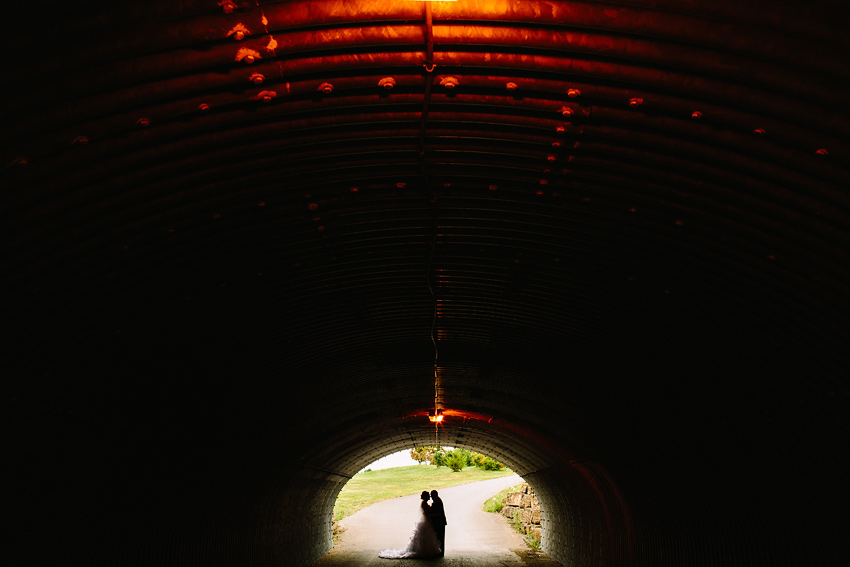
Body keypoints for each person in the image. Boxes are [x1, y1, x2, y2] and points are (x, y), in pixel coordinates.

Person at [378, 490, 442, 559]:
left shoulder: (425, 503)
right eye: (428, 496)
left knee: (426, 537)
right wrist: (433, 515)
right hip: (426, 522)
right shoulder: (424, 503)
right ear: (426, 497)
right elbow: (425, 514)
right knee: (425, 536)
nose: (430, 497)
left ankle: (426, 550)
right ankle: (424, 551)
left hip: (427, 522)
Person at [428, 489, 447, 557]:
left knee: (440, 537)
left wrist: (429, 515)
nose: (431, 497)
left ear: (434, 495)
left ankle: (441, 552)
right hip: (440, 522)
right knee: (439, 537)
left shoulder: (437, 502)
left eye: (431, 495)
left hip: (440, 522)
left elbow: (438, 513)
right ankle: (440, 551)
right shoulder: (437, 500)